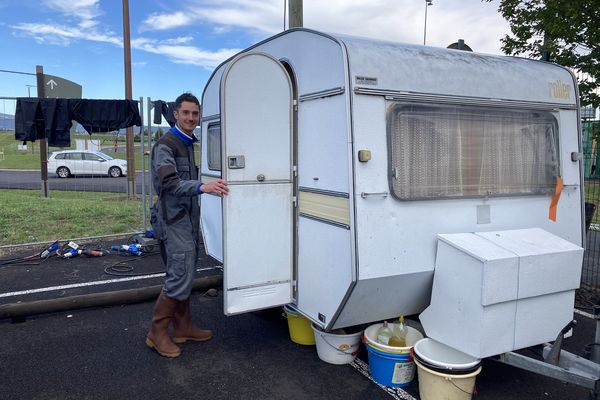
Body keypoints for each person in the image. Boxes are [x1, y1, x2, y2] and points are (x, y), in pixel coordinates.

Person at [147, 92, 228, 358]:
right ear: (175, 114)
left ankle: (182, 327)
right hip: (173, 221)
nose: (191, 118)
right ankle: (156, 334)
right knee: (179, 274)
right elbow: (169, 184)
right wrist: (202, 186)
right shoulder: (166, 145)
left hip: (185, 219)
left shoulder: (187, 143)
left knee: (186, 272)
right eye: (186, 113)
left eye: (195, 114)